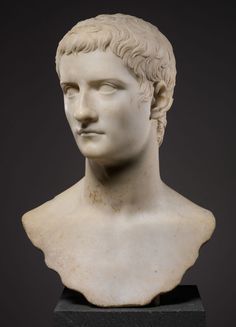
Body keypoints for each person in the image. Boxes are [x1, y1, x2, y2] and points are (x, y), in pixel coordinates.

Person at [22, 14, 215, 307]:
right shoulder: (43, 222)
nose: (82, 112)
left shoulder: (194, 223)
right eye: (70, 90)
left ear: (158, 98)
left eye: (106, 88)